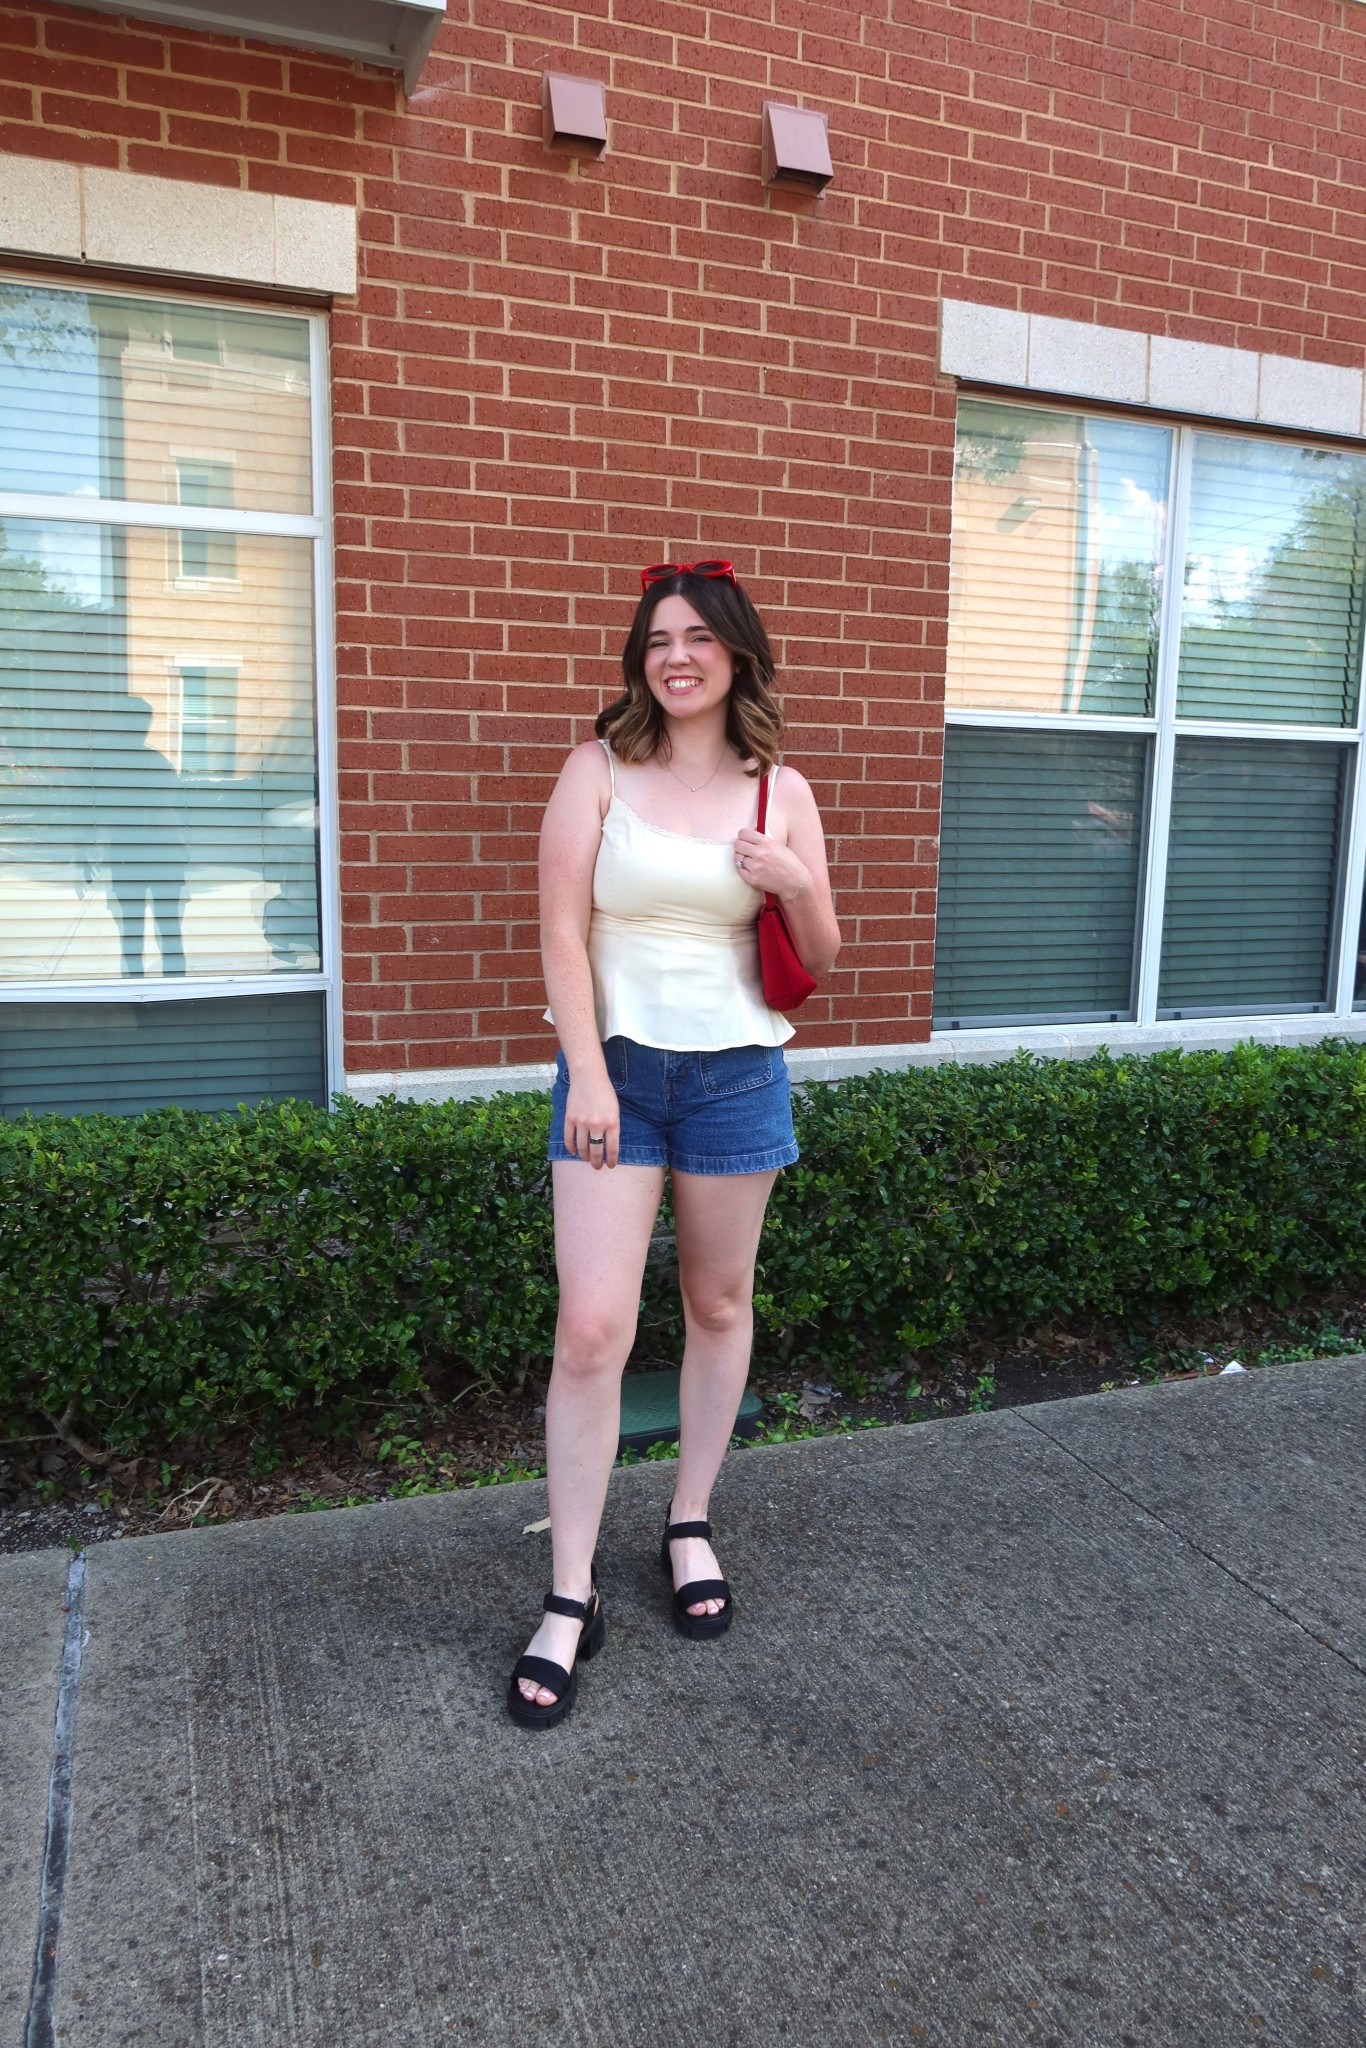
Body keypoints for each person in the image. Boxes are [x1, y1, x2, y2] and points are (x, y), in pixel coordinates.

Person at [508, 560, 842, 1728]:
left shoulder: (780, 788)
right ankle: (571, 1591)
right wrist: (589, 1071)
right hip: (616, 1077)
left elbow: (823, 951)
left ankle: (687, 1518)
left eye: (698, 636)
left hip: (736, 1076)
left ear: (736, 651)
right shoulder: (595, 768)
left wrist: (792, 880)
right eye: (657, 639)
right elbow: (560, 931)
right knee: (591, 1328)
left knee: (717, 1301)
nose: (676, 655)